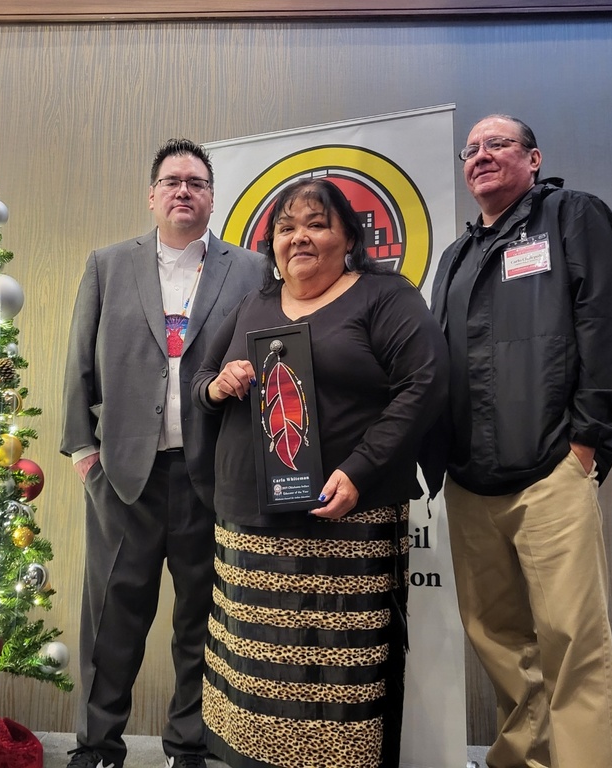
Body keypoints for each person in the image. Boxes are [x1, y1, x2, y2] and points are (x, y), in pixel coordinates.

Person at [191, 178, 449, 768]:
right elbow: (203, 380)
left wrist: (361, 469)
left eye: (316, 223)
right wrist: (218, 384)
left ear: (349, 238)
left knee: (332, 672)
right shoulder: (253, 305)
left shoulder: (385, 297)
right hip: (251, 520)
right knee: (255, 668)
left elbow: (425, 383)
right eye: (285, 227)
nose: (298, 237)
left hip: (344, 519)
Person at [430, 114, 612, 768]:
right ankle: (521, 761)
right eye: (471, 149)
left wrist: (588, 440)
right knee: (497, 641)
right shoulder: (456, 256)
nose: (481, 155)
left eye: (498, 144)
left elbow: (608, 326)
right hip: (470, 482)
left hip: (553, 469)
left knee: (572, 643)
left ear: (533, 157)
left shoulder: (571, 216)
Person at [60, 138, 266, 768]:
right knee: (113, 620)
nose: (184, 191)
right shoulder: (108, 264)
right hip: (124, 478)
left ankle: (187, 748)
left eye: (197, 182)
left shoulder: (251, 270)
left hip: (212, 476)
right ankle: (98, 747)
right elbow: (79, 364)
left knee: (202, 624)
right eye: (173, 181)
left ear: (212, 197)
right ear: (152, 196)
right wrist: (82, 453)